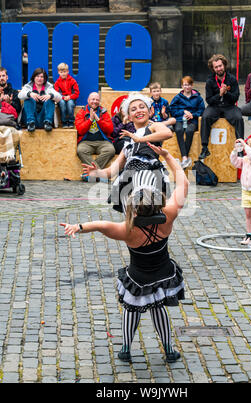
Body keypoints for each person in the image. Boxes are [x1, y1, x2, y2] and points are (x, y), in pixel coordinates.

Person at [60, 143, 188, 363]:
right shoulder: (169, 215)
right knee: (158, 308)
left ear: (132, 208)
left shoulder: (127, 230)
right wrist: (167, 156)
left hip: (138, 276)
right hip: (163, 273)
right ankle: (169, 350)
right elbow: (182, 180)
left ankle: (126, 349)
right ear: (158, 202)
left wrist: (78, 227)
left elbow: (100, 224)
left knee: (132, 309)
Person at [82, 92, 173, 212]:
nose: (139, 111)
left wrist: (140, 139)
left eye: (142, 107)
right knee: (132, 216)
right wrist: (98, 172)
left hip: (150, 174)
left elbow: (167, 133)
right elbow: (113, 169)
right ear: (129, 117)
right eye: (134, 109)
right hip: (129, 178)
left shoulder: (153, 127)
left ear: (149, 111)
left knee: (149, 209)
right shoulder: (129, 143)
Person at [199, 54, 244, 160]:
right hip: (215, 106)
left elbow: (235, 98)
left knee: (238, 118)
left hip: (229, 106)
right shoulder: (210, 81)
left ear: (224, 65)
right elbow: (209, 100)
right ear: (213, 68)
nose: (219, 68)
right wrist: (219, 94)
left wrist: (226, 93)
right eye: (216, 67)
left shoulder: (232, 79)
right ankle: (204, 148)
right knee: (205, 117)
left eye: (220, 66)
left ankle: (240, 149)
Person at [75, 91, 115, 181]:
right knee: (81, 150)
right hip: (86, 141)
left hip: (102, 141)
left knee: (110, 150)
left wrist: (98, 120)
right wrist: (90, 120)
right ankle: (101, 174)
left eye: (97, 99)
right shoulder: (81, 112)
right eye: (93, 99)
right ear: (88, 100)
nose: (95, 101)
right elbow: (80, 130)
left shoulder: (103, 112)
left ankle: (91, 175)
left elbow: (110, 129)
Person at [169, 76, 205, 168]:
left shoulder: (198, 97)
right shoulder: (178, 97)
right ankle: (185, 157)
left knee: (189, 131)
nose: (187, 87)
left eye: (189, 85)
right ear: (182, 86)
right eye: (185, 85)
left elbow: (201, 110)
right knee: (178, 130)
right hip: (180, 119)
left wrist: (193, 115)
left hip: (192, 120)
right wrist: (183, 112)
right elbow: (172, 109)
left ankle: (184, 158)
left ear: (192, 85)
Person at [18, 67, 62, 132]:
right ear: (34, 77)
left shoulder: (48, 87)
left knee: (50, 99)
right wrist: (29, 94)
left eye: (42, 77)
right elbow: (20, 95)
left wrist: (50, 95)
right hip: (30, 120)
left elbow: (59, 97)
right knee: (28, 99)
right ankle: (31, 123)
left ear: (44, 79)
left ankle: (48, 122)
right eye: (37, 76)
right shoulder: (28, 86)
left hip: (43, 120)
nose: (39, 79)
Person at [54, 62, 80, 129]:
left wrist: (70, 97)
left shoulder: (72, 81)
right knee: (62, 103)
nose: (63, 73)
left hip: (71, 99)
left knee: (70, 103)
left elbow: (76, 93)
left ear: (68, 71)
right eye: (61, 72)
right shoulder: (57, 83)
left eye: (64, 71)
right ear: (58, 72)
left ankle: (71, 121)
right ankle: (64, 122)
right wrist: (63, 97)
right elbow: (57, 94)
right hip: (61, 99)